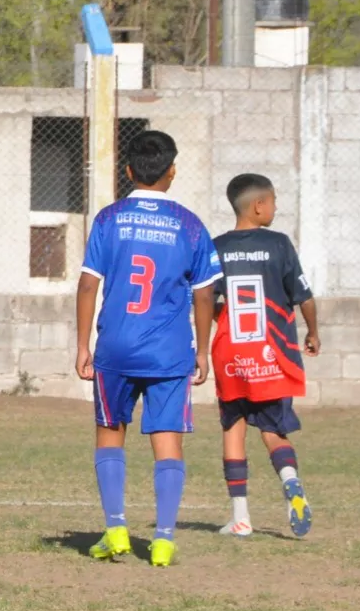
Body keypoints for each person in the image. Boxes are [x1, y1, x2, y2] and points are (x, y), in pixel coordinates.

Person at [75, 130, 221, 568]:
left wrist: (82, 345)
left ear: (128, 171)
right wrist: (203, 351)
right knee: (167, 442)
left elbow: (87, 284)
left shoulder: (108, 219)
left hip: (115, 347)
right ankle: (162, 539)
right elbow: (204, 295)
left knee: (109, 433)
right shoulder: (190, 225)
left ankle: (116, 528)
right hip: (169, 351)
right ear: (172, 172)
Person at [211, 173, 320, 538]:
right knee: (274, 430)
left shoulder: (216, 247)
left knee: (233, 428)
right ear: (259, 205)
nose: (274, 208)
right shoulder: (278, 245)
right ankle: (291, 484)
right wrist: (313, 332)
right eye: (273, 201)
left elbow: (206, 300)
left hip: (232, 355)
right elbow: (303, 295)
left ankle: (241, 517)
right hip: (272, 355)